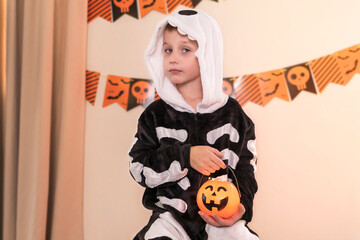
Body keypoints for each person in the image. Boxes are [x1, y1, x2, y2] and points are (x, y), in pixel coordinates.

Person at [129, 9, 259, 240]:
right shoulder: (155, 115)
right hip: (172, 219)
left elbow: (246, 169)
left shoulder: (233, 115)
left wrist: (242, 208)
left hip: (221, 217)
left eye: (185, 50)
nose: (173, 58)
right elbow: (138, 167)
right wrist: (185, 156)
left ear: (207, 55)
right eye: (168, 49)